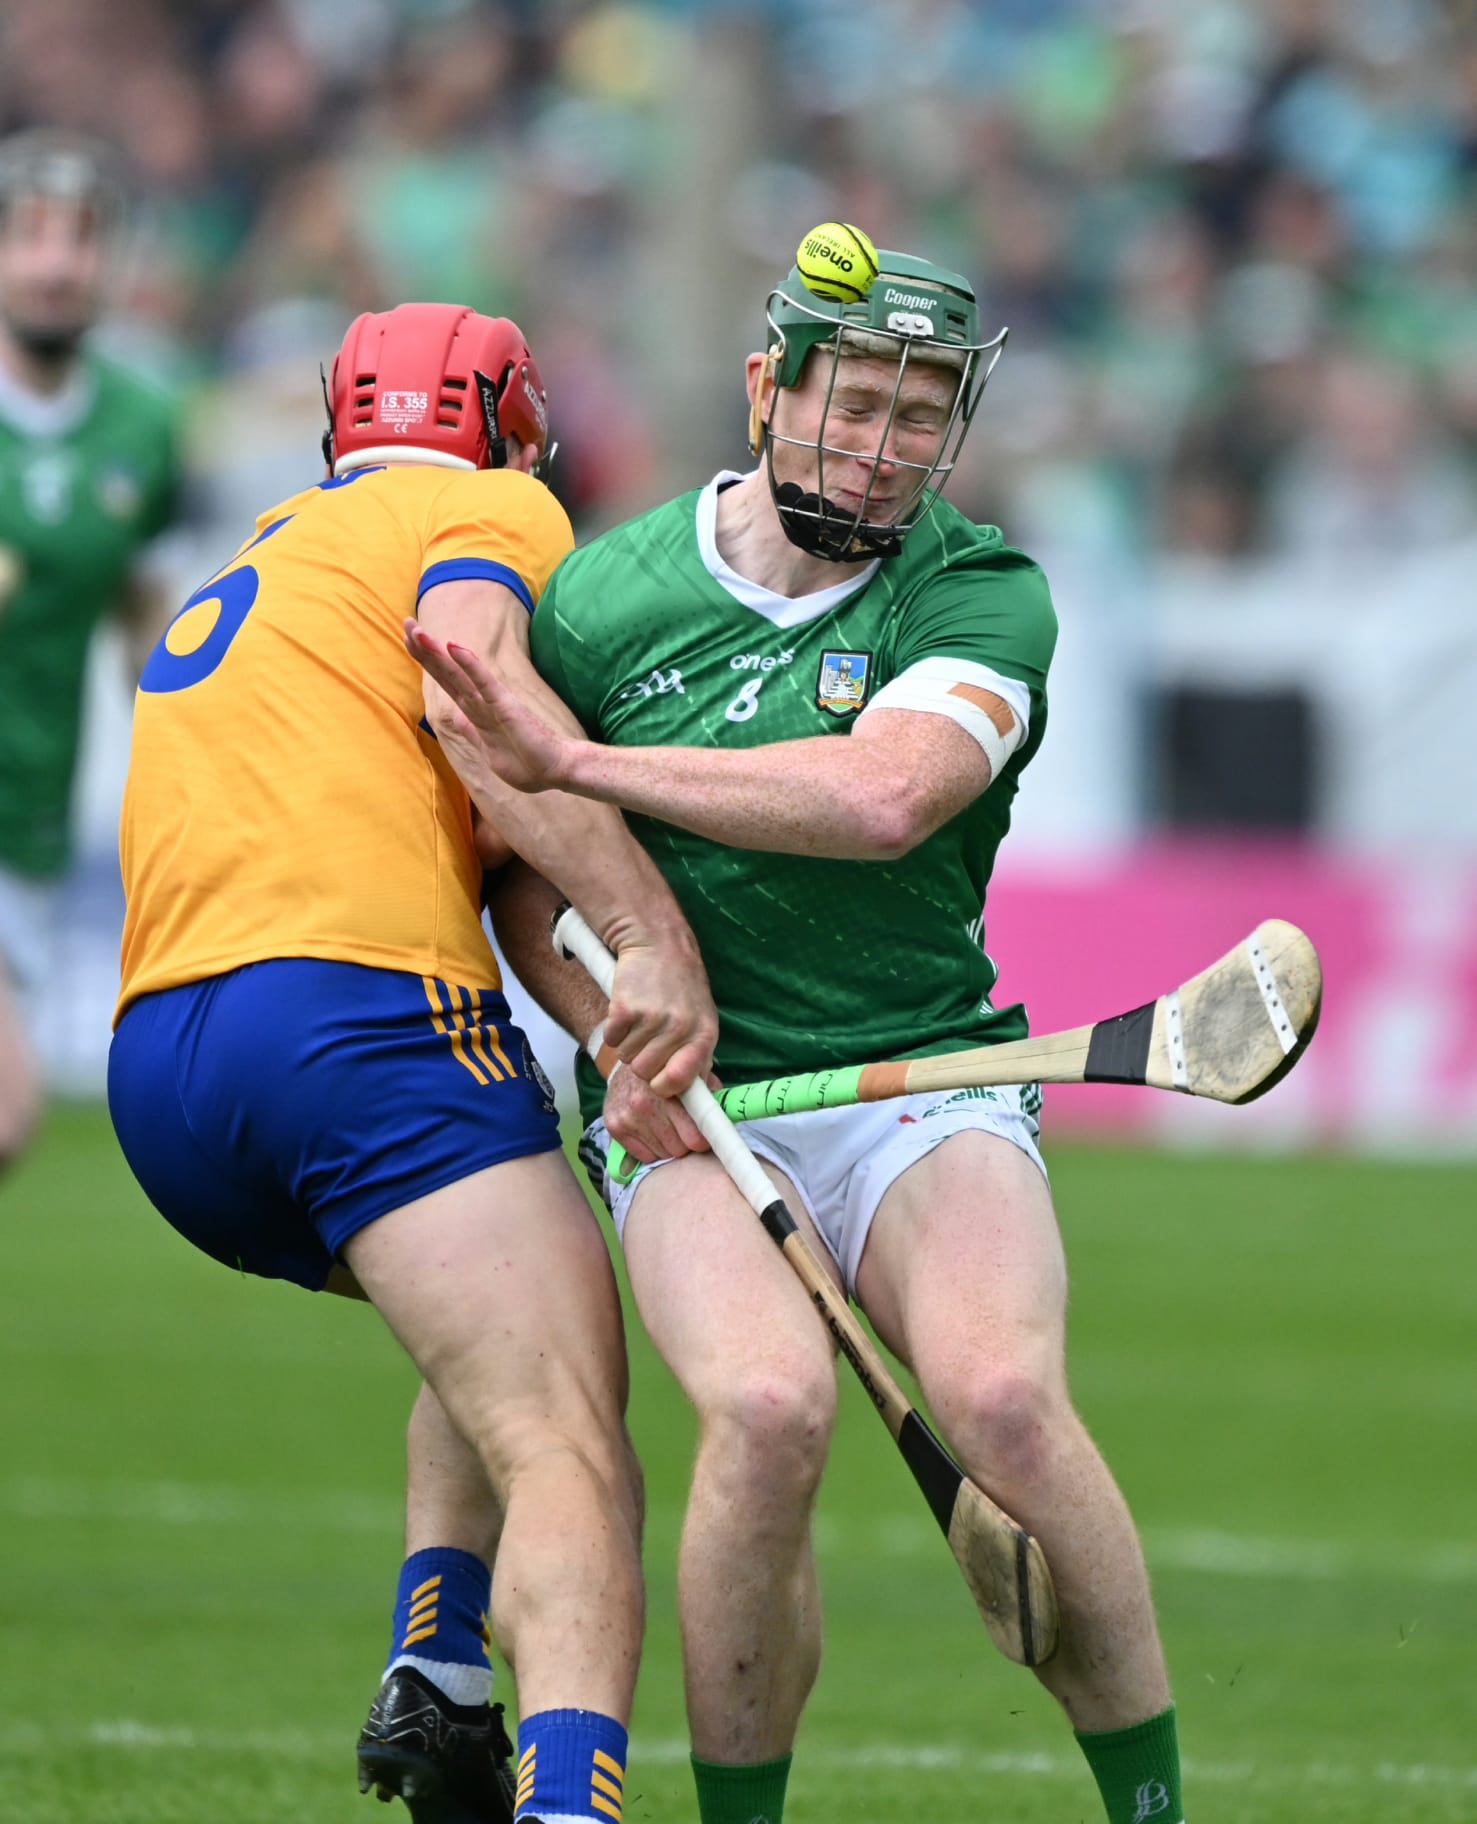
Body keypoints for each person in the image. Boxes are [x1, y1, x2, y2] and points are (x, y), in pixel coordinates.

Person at [407, 240, 1188, 1824]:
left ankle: (1153, 1810)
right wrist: (615, 1031)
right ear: (770, 387)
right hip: (697, 1111)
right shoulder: (606, 600)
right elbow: (517, 873)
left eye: (922, 414)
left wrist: (584, 764)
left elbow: (886, 795)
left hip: (923, 1083)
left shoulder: (979, 590)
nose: (886, 446)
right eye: (857, 403)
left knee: (1004, 1402)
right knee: (767, 1416)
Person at [108, 300, 717, 1824]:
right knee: (568, 1435)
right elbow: (470, 699)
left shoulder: (273, 548)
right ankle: (568, 1803)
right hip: (353, 1021)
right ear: (512, 429)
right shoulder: (488, 510)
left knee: (494, 1336)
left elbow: (474, 836)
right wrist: (650, 939)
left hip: (161, 1072)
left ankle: (440, 1663)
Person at [0, 129, 181, 1170]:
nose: (55, 263)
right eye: (29, 235)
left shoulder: (142, 426)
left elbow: (142, 618)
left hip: (30, 809)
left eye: (80, 238)